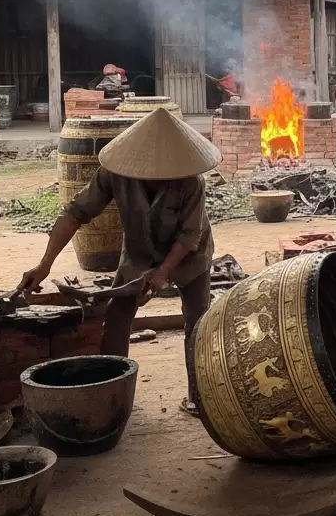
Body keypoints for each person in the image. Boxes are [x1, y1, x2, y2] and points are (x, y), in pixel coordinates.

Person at [18, 107, 221, 415]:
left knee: (197, 320)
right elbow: (75, 214)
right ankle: (113, 396)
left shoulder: (191, 183)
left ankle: (200, 397)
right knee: (117, 315)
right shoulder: (115, 174)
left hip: (190, 256)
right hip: (139, 254)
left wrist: (163, 271)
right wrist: (44, 264)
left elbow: (189, 237)